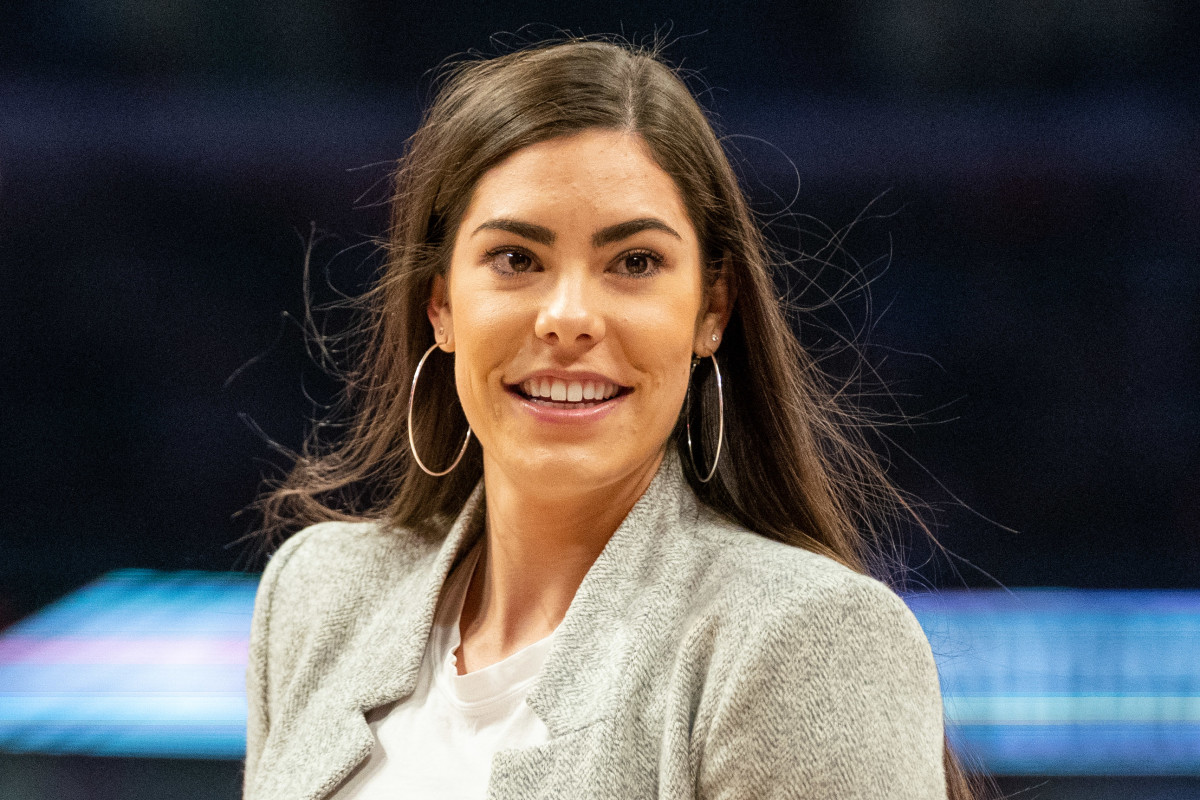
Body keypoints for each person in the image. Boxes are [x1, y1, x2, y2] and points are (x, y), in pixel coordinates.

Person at [243, 37, 980, 800]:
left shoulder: (810, 640)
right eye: (516, 260)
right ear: (440, 305)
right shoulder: (317, 596)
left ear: (712, 311)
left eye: (634, 263)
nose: (568, 318)